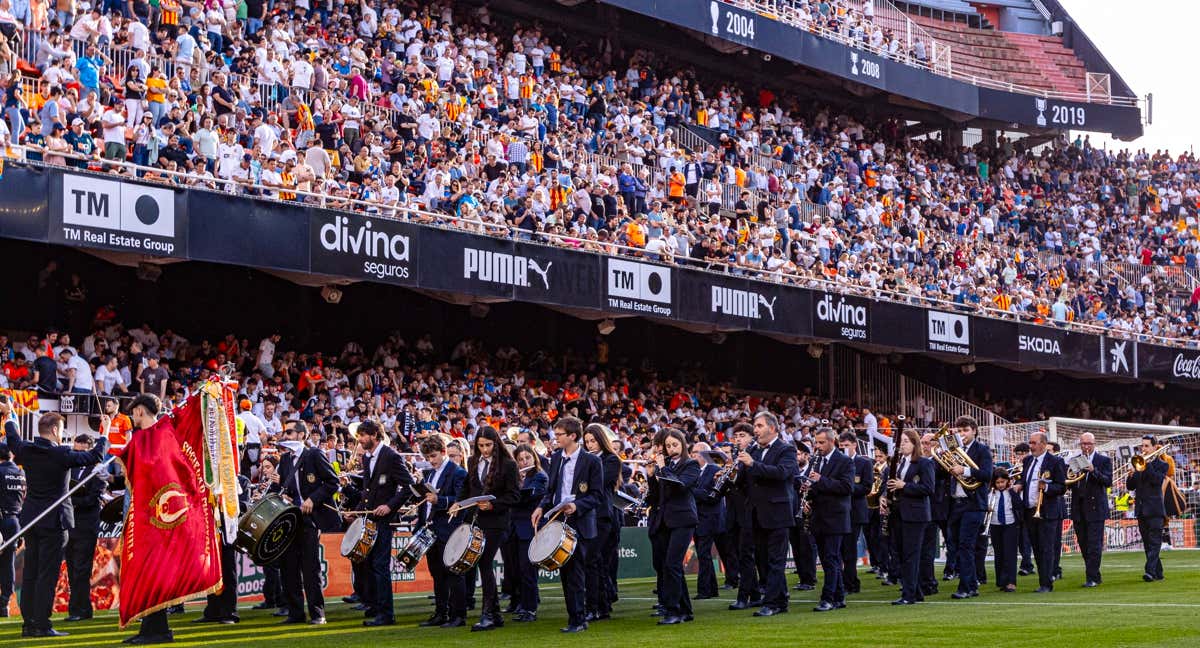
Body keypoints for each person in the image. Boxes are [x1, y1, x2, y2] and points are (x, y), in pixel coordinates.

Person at [4, 411, 108, 638]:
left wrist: (10, 415)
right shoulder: (60, 453)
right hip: (54, 521)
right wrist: (104, 433)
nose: (63, 434)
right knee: (46, 575)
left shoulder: (26, 450)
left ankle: (29, 624)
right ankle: (40, 624)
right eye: (61, 429)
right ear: (54, 430)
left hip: (31, 520)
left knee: (31, 572)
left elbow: (12, 438)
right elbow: (95, 456)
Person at [531, 415, 603, 633]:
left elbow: (597, 495)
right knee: (566, 571)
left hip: (580, 522)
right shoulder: (556, 459)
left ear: (572, 436)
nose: (555, 438)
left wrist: (577, 506)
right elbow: (551, 490)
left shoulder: (592, 461)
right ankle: (574, 617)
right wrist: (541, 507)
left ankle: (580, 618)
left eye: (560, 434)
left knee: (577, 572)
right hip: (559, 521)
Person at [272, 420, 339, 625]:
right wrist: (284, 495)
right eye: (285, 432)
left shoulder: (314, 454)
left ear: (302, 435)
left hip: (310, 518)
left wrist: (312, 499)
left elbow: (333, 482)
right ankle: (295, 613)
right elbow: (285, 490)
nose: (286, 436)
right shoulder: (284, 460)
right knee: (289, 567)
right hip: (290, 518)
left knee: (310, 568)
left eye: (290, 432)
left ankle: (318, 613)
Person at [120, 394, 174, 644]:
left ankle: (158, 631)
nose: (132, 417)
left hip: (159, 517)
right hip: (144, 515)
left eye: (133, 412)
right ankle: (152, 629)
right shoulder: (143, 438)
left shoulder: (162, 434)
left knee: (155, 575)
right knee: (147, 575)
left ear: (140, 411)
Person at [352, 420, 415, 627]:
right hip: (369, 519)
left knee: (379, 566)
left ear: (374, 435)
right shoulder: (367, 457)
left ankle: (386, 614)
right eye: (359, 435)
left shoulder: (391, 456)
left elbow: (409, 487)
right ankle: (375, 606)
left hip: (385, 521)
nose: (360, 440)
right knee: (369, 564)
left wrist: (389, 506)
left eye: (363, 435)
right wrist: (357, 511)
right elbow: (367, 490)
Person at [456, 426, 519, 632]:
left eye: (488, 445)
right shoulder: (472, 461)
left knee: (484, 563)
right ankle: (495, 614)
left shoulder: (508, 465)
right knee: (482, 564)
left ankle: (488, 615)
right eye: (481, 445)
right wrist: (459, 503)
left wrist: (493, 504)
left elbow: (514, 496)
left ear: (496, 443)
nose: (484, 449)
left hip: (497, 522)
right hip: (477, 519)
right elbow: (467, 487)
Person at [734, 412, 797, 617]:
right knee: (763, 560)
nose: (756, 430)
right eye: (755, 426)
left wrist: (753, 464)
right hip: (756, 513)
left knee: (775, 560)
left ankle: (771, 603)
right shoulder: (754, 450)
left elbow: (782, 473)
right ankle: (781, 599)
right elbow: (745, 481)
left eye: (759, 426)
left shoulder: (786, 449)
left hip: (777, 513)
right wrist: (732, 475)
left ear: (772, 428)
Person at [646, 428, 699, 625]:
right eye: (668, 446)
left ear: (683, 444)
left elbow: (680, 486)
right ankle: (685, 610)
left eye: (674, 444)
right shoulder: (665, 465)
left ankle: (674, 610)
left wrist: (662, 468)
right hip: (665, 521)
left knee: (672, 565)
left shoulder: (691, 464)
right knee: (670, 566)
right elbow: (656, 495)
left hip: (683, 520)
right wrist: (652, 476)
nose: (671, 448)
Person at [416, 435, 468, 628]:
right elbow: (427, 501)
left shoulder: (458, 472)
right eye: (428, 457)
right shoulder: (429, 473)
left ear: (444, 452)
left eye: (434, 455)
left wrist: (440, 501)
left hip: (449, 529)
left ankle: (458, 615)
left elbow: (460, 502)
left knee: (454, 573)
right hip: (431, 530)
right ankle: (441, 612)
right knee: (437, 574)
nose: (431, 460)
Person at [882, 428, 933, 605]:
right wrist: (883, 498)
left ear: (914, 443)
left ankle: (908, 594)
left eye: (905, 441)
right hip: (898, 513)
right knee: (902, 554)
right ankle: (916, 591)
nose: (902, 444)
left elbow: (928, 489)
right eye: (900, 441)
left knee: (910, 554)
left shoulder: (924, 463)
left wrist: (905, 486)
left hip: (915, 515)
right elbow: (889, 485)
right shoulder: (897, 463)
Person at [944, 416, 993, 599]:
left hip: (973, 505)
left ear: (974, 430)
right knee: (956, 546)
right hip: (956, 503)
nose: (962, 434)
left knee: (965, 546)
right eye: (959, 431)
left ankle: (965, 587)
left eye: (965, 430)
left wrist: (964, 470)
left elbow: (987, 475)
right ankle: (972, 585)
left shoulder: (982, 450)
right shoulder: (953, 449)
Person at [805, 426, 853, 612]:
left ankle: (828, 598)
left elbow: (846, 487)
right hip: (819, 516)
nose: (818, 446)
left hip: (836, 517)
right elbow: (812, 482)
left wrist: (820, 480)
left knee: (831, 558)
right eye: (816, 442)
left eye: (821, 442)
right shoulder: (815, 460)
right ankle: (839, 597)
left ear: (832, 442)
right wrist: (806, 491)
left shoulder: (844, 461)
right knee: (826, 560)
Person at [1015, 431, 1066, 593]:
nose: (1031, 446)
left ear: (1043, 444)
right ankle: (1043, 579)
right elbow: (1026, 479)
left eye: (1034, 443)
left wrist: (1048, 487)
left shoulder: (1056, 461)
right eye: (1030, 443)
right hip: (1030, 510)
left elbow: (1062, 487)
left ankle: (1046, 583)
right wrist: (1020, 485)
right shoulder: (1028, 460)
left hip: (1047, 512)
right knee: (1036, 547)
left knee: (1046, 547)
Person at [64, 434, 106, 622]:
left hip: (86, 526)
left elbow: (93, 498)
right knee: (72, 568)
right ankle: (81, 608)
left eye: (81, 452)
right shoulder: (69, 469)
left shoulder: (97, 470)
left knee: (82, 569)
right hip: (69, 526)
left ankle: (79, 610)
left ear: (89, 450)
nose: (77, 455)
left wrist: (71, 501)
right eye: (75, 450)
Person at [582, 423, 621, 621]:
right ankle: (597, 606)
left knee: (597, 561)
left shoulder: (611, 459)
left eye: (593, 440)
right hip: (586, 515)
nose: (590, 445)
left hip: (602, 516)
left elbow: (599, 482)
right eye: (587, 441)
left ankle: (598, 606)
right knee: (593, 562)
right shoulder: (585, 460)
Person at [1068, 432, 1112, 588]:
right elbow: (1070, 482)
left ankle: (1091, 577)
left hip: (1096, 508)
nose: (1085, 447)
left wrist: (1093, 470)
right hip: (1078, 508)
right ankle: (1094, 574)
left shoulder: (1104, 460)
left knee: (1094, 544)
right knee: (1084, 544)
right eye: (1083, 444)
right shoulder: (1075, 460)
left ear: (1094, 444)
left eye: (1088, 444)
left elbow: (1107, 481)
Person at [510, 443, 547, 622]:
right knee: (517, 570)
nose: (524, 462)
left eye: (527, 458)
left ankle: (530, 609)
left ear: (534, 458)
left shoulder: (539, 476)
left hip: (530, 528)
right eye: (520, 460)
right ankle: (523, 606)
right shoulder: (515, 477)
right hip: (514, 528)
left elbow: (530, 497)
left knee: (528, 570)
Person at [1126, 435, 1168, 582]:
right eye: (1142, 446)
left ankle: (1149, 572)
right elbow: (1130, 486)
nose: (1143, 449)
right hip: (1141, 509)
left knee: (1155, 542)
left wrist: (1147, 464)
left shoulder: (1162, 464)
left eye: (1146, 446)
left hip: (1155, 509)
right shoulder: (1138, 465)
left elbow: (1157, 481)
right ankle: (1159, 573)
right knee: (1147, 543)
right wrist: (1130, 475)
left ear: (1155, 448)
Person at [0, 397, 27, 616]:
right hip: (16, 520)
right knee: (8, 563)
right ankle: (4, 604)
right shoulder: (20, 472)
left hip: (2, 520)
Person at [725, 424, 757, 610]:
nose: (738, 439)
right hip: (737, 511)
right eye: (736, 435)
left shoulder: (750, 455)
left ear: (751, 437)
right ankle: (753, 594)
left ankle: (744, 596)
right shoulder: (738, 457)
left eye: (742, 435)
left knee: (746, 555)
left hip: (748, 511)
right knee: (742, 554)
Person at [690, 442, 726, 600]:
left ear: (705, 454)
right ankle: (711, 589)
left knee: (704, 553)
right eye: (692, 452)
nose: (693, 455)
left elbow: (714, 496)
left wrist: (692, 490)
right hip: (698, 518)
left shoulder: (714, 470)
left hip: (710, 518)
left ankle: (705, 590)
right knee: (702, 554)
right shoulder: (694, 471)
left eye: (697, 452)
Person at [838, 431, 872, 595]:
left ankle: (850, 582)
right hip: (838, 510)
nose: (843, 448)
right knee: (840, 548)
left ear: (854, 445)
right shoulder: (837, 462)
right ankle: (844, 581)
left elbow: (867, 487)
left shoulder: (864, 463)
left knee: (850, 548)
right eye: (841, 446)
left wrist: (846, 488)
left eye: (846, 445)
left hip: (855, 511)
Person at [918, 433, 948, 595]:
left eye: (928, 443)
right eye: (922, 442)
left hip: (937, 509)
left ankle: (929, 582)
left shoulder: (939, 462)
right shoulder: (919, 462)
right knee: (922, 549)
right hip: (921, 509)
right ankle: (924, 581)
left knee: (929, 549)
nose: (925, 446)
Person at [987, 468, 1024, 592]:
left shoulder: (1011, 492)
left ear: (1007, 481)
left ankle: (1011, 581)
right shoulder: (990, 493)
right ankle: (1001, 581)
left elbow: (1019, 505)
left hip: (1010, 524)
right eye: (997, 482)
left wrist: (1014, 492)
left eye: (1003, 482)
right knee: (999, 553)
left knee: (1010, 553)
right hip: (995, 524)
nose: (1000, 485)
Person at [788, 442, 816, 592]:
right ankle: (802, 577)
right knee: (797, 547)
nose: (796, 457)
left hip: (807, 514)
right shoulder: (792, 471)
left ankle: (810, 578)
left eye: (798, 454)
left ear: (806, 455)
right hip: (792, 513)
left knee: (807, 547)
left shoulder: (813, 470)